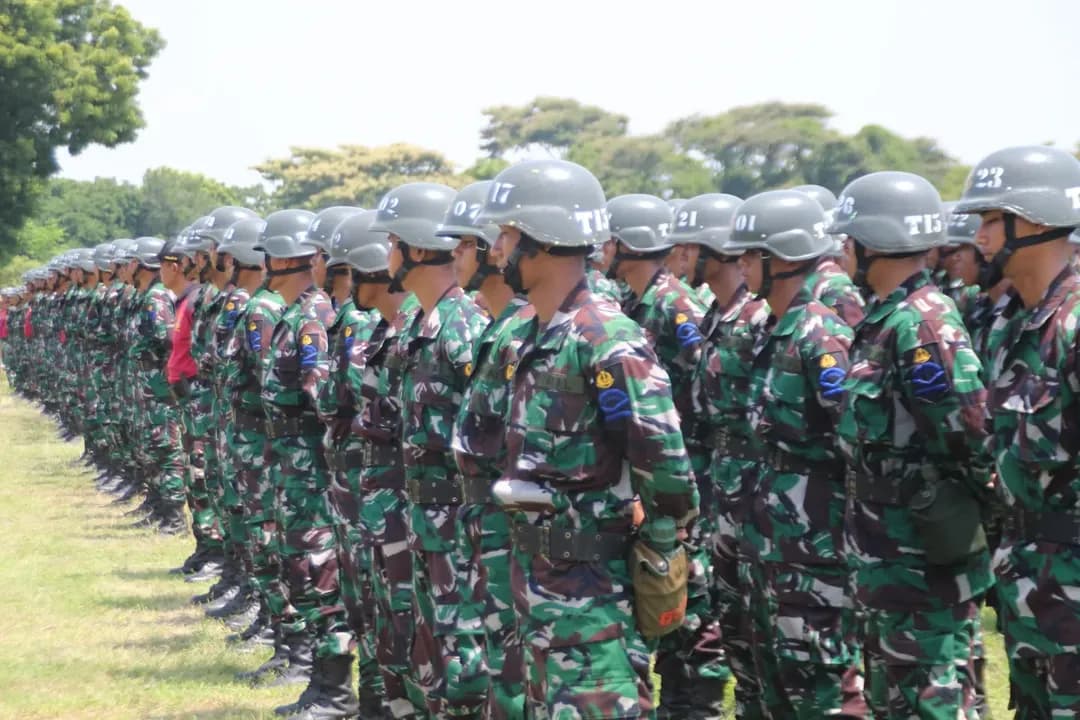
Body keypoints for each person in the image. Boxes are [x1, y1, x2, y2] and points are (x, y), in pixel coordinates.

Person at [478, 159, 699, 717]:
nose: (497, 249)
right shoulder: (530, 334)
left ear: (544, 240)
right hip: (535, 582)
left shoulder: (607, 340)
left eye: (508, 234)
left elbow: (666, 468)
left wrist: (659, 546)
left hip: (594, 592)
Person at [830, 171, 991, 719]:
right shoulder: (884, 319)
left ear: (876, 243)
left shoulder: (922, 325)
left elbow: (967, 435)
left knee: (933, 700)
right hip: (886, 560)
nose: (843, 251)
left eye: (849, 239)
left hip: (922, 562)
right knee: (894, 701)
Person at [727, 190, 864, 718]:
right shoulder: (771, 328)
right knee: (777, 687)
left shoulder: (820, 334)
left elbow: (853, 440)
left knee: (823, 688)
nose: (740, 264)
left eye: (750, 254)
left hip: (815, 549)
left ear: (780, 257)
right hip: (771, 544)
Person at [954, 146, 1080, 716]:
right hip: (1027, 586)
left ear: (1034, 220)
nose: (977, 236)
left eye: (990, 219)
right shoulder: (1014, 327)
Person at [606, 192, 728, 718]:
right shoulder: (635, 302)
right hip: (660, 472)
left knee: (690, 600)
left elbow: (710, 386)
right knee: (665, 597)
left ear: (627, 245)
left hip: (689, 470)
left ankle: (696, 706)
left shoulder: (674, 304)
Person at [372, 181, 491, 718]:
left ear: (418, 248)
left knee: (464, 657)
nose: (387, 253)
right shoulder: (417, 327)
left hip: (460, 523)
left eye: (393, 241)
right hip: (424, 516)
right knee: (432, 654)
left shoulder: (463, 328)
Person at [444, 180, 532, 719]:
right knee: (499, 661)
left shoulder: (521, 333)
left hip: (515, 529)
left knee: (517, 667)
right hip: (485, 522)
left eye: (463, 245)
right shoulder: (498, 330)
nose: (453, 256)